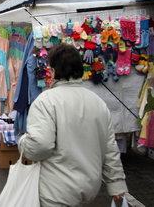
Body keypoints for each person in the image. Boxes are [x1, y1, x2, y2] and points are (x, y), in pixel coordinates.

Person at [18, 44, 127, 206]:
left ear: (54, 71)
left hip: (55, 190)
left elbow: (39, 145)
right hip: (90, 188)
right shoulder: (97, 102)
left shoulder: (46, 101)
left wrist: (22, 142)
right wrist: (116, 184)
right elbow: (109, 147)